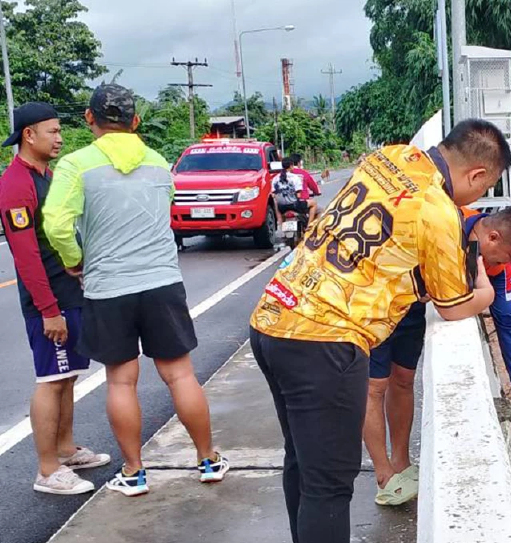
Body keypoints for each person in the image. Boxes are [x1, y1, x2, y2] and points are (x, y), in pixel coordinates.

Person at [249, 118, 511, 543]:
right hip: (325, 339)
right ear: (477, 174)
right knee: (330, 481)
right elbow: (454, 305)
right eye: (484, 189)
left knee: (302, 460)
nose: (478, 199)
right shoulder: (438, 210)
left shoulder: (389, 158)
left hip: (275, 317)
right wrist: (486, 291)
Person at [42, 84, 229, 497]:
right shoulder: (160, 163)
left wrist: (74, 259)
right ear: (136, 121)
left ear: (89, 118)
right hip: (162, 282)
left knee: (121, 382)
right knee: (180, 374)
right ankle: (208, 460)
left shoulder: (76, 165)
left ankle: (134, 472)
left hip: (109, 287)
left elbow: (55, 223)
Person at [364, 204, 511, 506]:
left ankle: (401, 463)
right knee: (374, 386)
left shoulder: (497, 265)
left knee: (403, 379)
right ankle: (384, 475)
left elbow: (507, 322)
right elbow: (449, 306)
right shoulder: (446, 223)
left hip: (414, 306)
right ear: (493, 238)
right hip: (380, 298)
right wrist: (484, 292)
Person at [0, 102, 110, 495]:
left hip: (67, 292)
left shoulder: (46, 175)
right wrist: (48, 310)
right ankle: (47, 470)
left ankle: (65, 449)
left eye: (60, 130)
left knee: (66, 376)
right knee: (50, 379)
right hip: (47, 300)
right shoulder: (16, 183)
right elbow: (26, 255)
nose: (60, 138)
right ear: (29, 135)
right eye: (53, 131)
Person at [271, 157, 307, 227]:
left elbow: (273, 195)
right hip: (294, 206)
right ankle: (309, 226)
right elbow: (299, 195)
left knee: (276, 203)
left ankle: (281, 222)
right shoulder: (295, 177)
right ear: (291, 166)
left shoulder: (275, 178)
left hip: (281, 208)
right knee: (313, 204)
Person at [289, 153, 321, 225]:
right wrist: (317, 192)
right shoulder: (304, 173)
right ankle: (309, 227)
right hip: (301, 203)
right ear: (299, 163)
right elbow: (313, 186)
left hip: (286, 203)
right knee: (320, 210)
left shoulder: (284, 174)